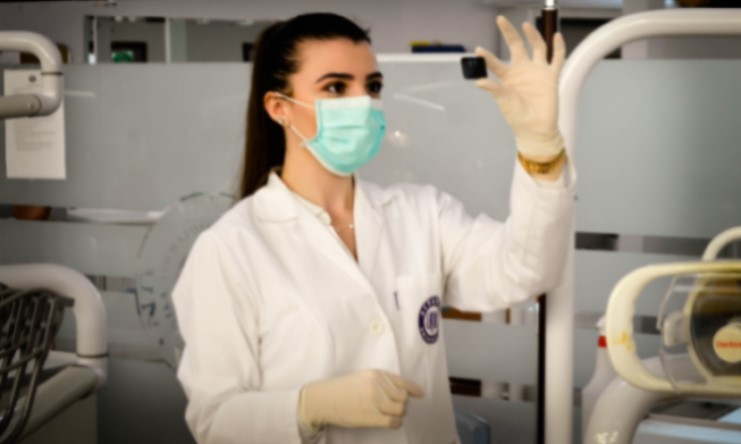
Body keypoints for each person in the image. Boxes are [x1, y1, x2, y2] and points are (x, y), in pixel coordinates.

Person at [172, 12, 574, 444]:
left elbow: (525, 270)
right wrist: (309, 407)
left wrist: (540, 148)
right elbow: (215, 422)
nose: (362, 102)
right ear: (279, 107)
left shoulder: (421, 213)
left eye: (373, 86)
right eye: (336, 87)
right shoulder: (230, 248)